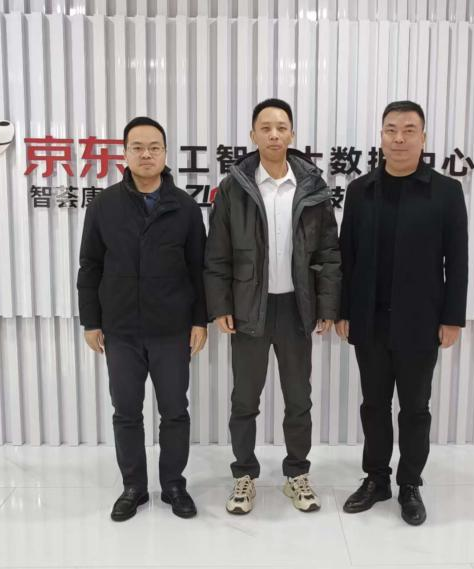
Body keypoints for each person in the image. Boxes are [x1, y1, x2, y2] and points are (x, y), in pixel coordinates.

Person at [204, 98, 341, 515]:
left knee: (299, 398)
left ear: (292, 134)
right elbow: (217, 254)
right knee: (245, 399)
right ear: (253, 135)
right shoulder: (234, 187)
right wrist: (220, 305)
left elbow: (329, 252)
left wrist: (326, 306)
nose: (274, 134)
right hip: (250, 309)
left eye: (282, 127)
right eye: (265, 128)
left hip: (296, 309)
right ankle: (244, 475)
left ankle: (297, 473)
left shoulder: (312, 186)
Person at [337, 100, 468, 526]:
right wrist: (343, 310)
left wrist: (452, 317)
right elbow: (347, 255)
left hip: (420, 320)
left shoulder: (446, 192)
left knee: (415, 408)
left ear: (423, 138)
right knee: (374, 404)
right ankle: (376, 479)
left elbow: (457, 260)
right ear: (381, 137)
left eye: (409, 130)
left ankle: (410, 483)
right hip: (370, 319)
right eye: (391, 129)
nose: (399, 138)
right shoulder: (360, 190)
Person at [77, 116, 207, 521]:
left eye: (154, 147)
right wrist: (91, 321)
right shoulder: (105, 205)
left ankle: (173, 485)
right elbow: (90, 265)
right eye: (137, 147)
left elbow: (199, 269)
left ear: (165, 153)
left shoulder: (185, 207)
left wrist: (200, 321)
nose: (146, 154)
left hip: (171, 329)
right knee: (126, 412)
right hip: (121, 330)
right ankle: (133, 487)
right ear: (125, 153)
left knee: (174, 411)